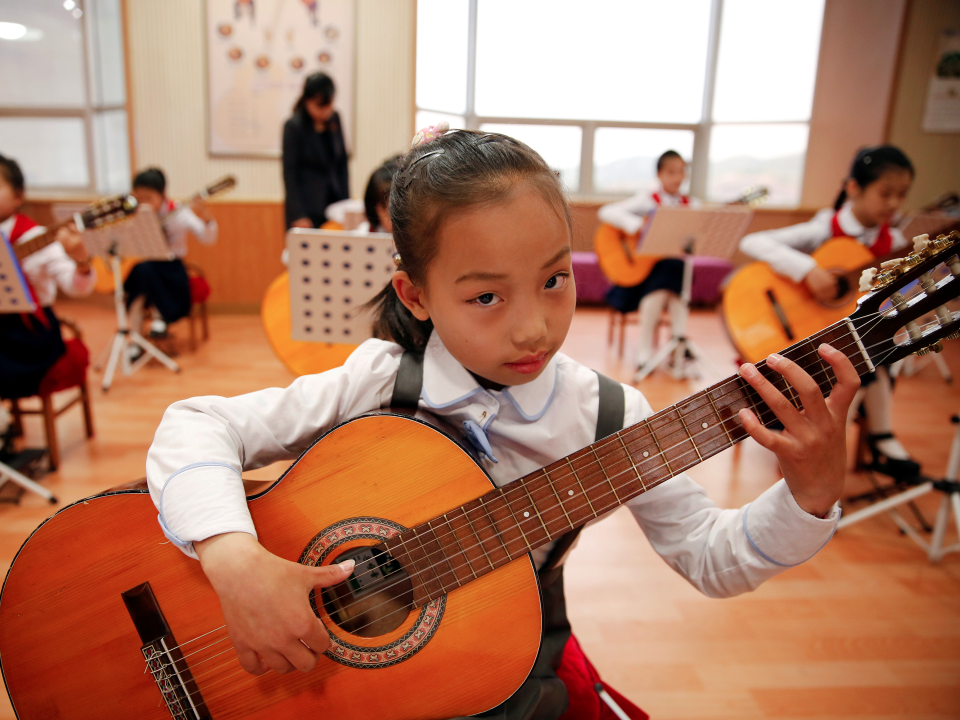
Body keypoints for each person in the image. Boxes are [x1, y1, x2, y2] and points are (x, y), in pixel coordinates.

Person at [145, 128, 859, 719]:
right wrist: (233, 561)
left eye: (555, 281)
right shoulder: (379, 379)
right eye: (487, 296)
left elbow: (712, 558)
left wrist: (809, 496)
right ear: (415, 295)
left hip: (503, 686)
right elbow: (195, 424)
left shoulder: (609, 417)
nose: (533, 328)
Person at [739, 145, 919, 480]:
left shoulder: (894, 243)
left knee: (875, 349)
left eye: (902, 195)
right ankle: (863, 440)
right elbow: (753, 241)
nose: (894, 204)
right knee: (864, 359)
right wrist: (807, 269)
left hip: (852, 348)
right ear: (853, 188)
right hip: (806, 346)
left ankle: (859, 438)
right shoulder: (825, 228)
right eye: (885, 193)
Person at [0, 154, 93, 399]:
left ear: (19, 196)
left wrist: (81, 260)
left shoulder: (36, 237)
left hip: (31, 336)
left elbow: (76, 287)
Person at [597, 150, 701, 369]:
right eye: (671, 172)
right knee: (669, 281)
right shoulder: (647, 199)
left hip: (673, 269)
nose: (677, 178)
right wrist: (639, 227)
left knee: (676, 276)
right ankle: (668, 346)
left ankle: (670, 346)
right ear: (660, 174)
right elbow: (607, 212)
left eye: (681, 172)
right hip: (643, 273)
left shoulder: (692, 205)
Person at [125, 167, 218, 338]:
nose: (144, 202)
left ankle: (161, 317)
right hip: (146, 267)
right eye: (140, 197)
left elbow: (207, 238)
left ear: (162, 195)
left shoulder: (178, 212)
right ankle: (135, 337)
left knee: (145, 272)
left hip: (172, 269)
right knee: (141, 274)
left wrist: (205, 215)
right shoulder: (133, 213)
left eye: (149, 197)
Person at [282, 72, 350, 230]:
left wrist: (346, 204)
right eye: (320, 106)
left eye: (329, 105)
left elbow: (342, 164)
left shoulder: (335, 119)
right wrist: (298, 214)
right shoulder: (293, 126)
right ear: (307, 101)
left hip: (334, 204)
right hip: (306, 209)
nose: (326, 111)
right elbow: (289, 173)